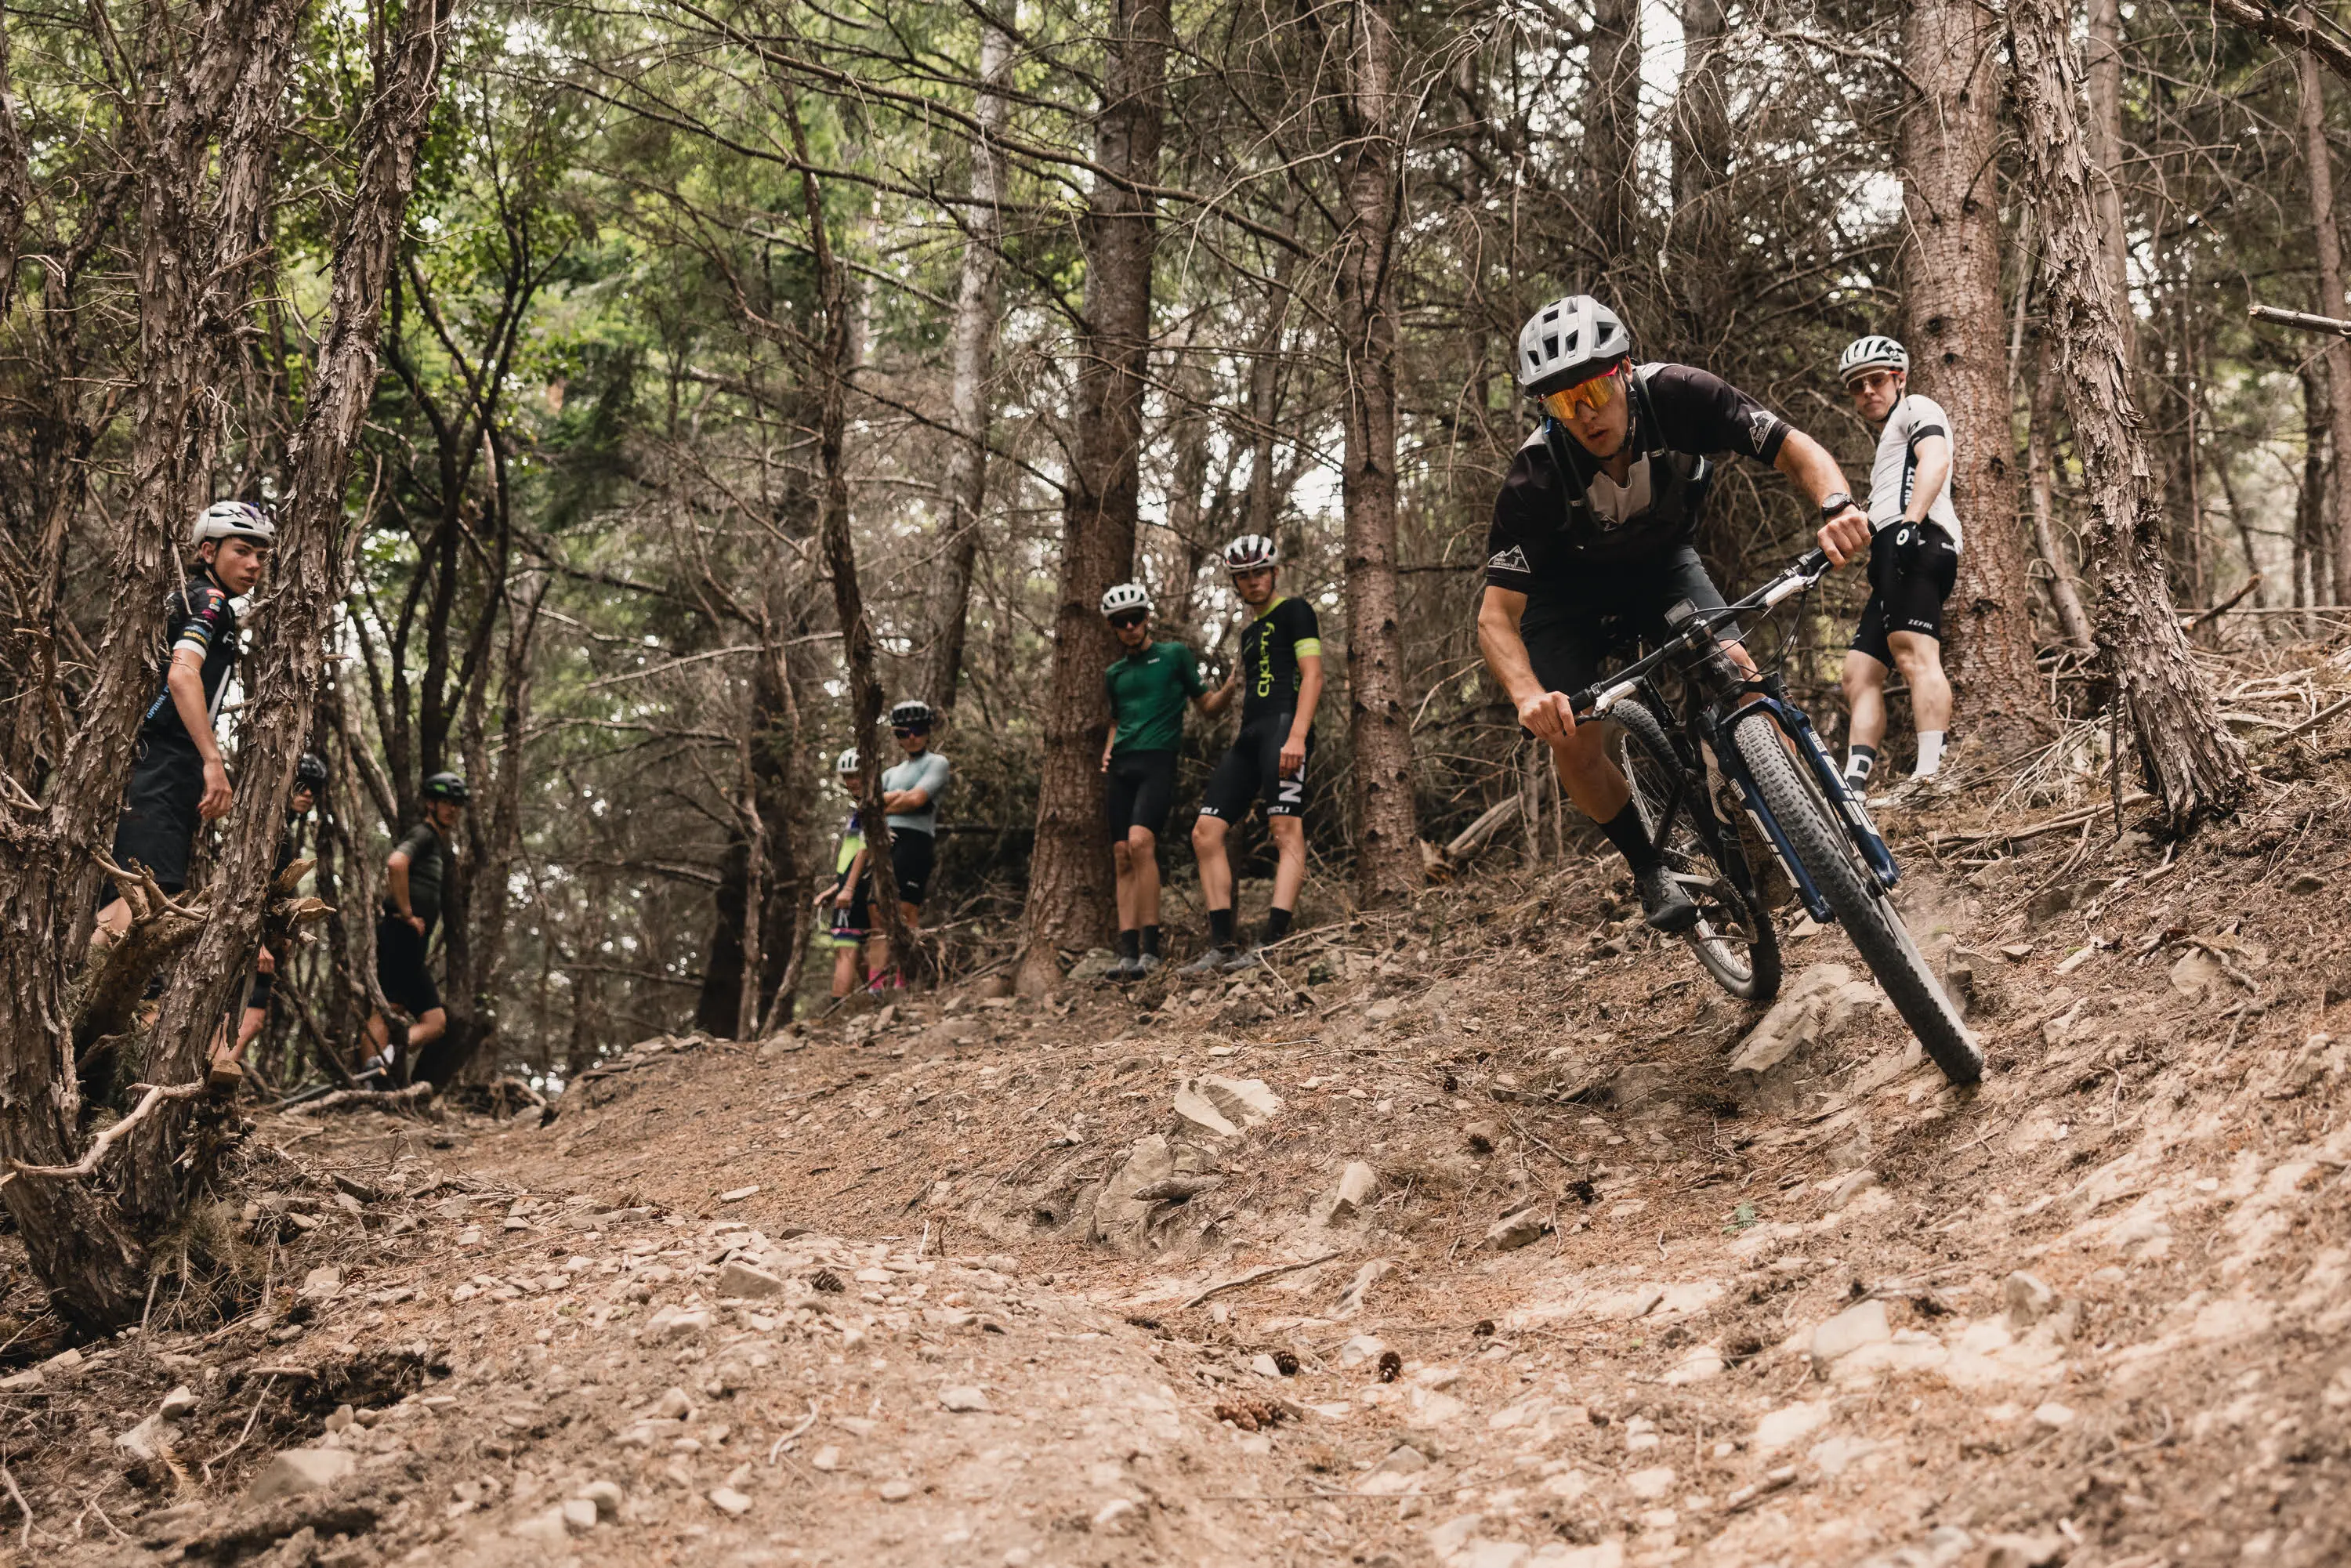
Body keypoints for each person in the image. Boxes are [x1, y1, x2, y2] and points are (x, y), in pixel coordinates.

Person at [1474, 295, 1871, 931]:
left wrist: (1836, 505)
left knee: (1738, 671)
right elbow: (1495, 616)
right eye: (1563, 404)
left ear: (1625, 369)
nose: (1584, 414)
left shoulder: (1681, 395)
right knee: (1572, 739)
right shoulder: (1535, 477)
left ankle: (1771, 803)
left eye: (1593, 390)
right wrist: (1528, 697)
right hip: (1566, 601)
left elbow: (1792, 447)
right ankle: (1648, 865)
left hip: (1660, 567)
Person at [93, 502, 274, 954]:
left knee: (135, 894)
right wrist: (213, 760)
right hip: (164, 761)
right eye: (242, 551)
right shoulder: (209, 600)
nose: (254, 564)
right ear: (208, 551)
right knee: (140, 899)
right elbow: (182, 674)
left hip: (153, 760)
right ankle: (88, 996)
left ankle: (95, 993)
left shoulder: (195, 597)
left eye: (261, 556)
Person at [1183, 534, 1323, 974]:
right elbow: (1222, 700)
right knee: (1205, 832)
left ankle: (1272, 944)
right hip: (1249, 735)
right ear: (1236, 583)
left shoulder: (1296, 611)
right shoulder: (1247, 634)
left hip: (1285, 729)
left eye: (1260, 572)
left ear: (1275, 572)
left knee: (1285, 828)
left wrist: (1297, 736)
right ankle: (1222, 946)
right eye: (1243, 576)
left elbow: (1313, 675)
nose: (1253, 581)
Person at [1835, 335, 1960, 801]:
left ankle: (1929, 779)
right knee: (1859, 672)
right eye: (1857, 386)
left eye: (1877, 380)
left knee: (1914, 655)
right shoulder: (1889, 436)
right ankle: (1854, 787)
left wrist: (1911, 522)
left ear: (1899, 378)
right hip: (1892, 546)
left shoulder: (1916, 407)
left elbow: (1936, 459)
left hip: (1917, 539)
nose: (1867, 391)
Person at [1097, 581, 1213, 983]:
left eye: (1135, 618)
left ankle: (1151, 950)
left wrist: (1233, 686)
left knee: (1140, 843)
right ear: (1112, 627)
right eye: (1121, 622)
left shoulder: (1174, 655)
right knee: (1120, 854)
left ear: (1147, 618)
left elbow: (1206, 703)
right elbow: (1116, 720)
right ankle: (1127, 954)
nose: (1129, 627)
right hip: (1121, 765)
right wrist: (1108, 750)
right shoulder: (1114, 674)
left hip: (1157, 760)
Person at [208, 751, 326, 1091]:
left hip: (258, 940)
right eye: (302, 785)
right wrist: (257, 945)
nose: (308, 794)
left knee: (244, 1017)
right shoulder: (269, 827)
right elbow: (244, 887)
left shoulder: (283, 827)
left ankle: (208, 1085)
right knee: (248, 1017)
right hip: (245, 939)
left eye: (314, 789)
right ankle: (208, 1086)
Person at [363, 771, 468, 1076]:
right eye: (446, 802)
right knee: (388, 1007)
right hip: (399, 933)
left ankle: (382, 1062)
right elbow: (396, 863)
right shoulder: (423, 834)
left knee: (435, 1021)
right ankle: (368, 1079)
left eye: (457, 804)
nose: (452, 810)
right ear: (431, 804)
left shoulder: (435, 842)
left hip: (413, 945)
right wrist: (407, 913)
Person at [875, 699, 951, 987]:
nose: (912, 738)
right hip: (885, 842)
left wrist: (888, 802)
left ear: (928, 731)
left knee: (907, 911)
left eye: (918, 730)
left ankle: (904, 980)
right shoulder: (889, 774)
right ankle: (875, 985)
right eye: (903, 733)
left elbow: (918, 799)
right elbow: (869, 806)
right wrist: (896, 799)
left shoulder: (937, 763)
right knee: (877, 912)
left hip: (916, 842)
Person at [813, 748, 875, 999]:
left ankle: (837, 1008)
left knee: (845, 948)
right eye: (848, 776)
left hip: (858, 886)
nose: (853, 781)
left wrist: (848, 888)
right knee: (857, 950)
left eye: (858, 774)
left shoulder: (870, 808)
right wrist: (835, 889)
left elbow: (866, 848)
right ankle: (877, 999)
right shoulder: (859, 810)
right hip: (851, 884)